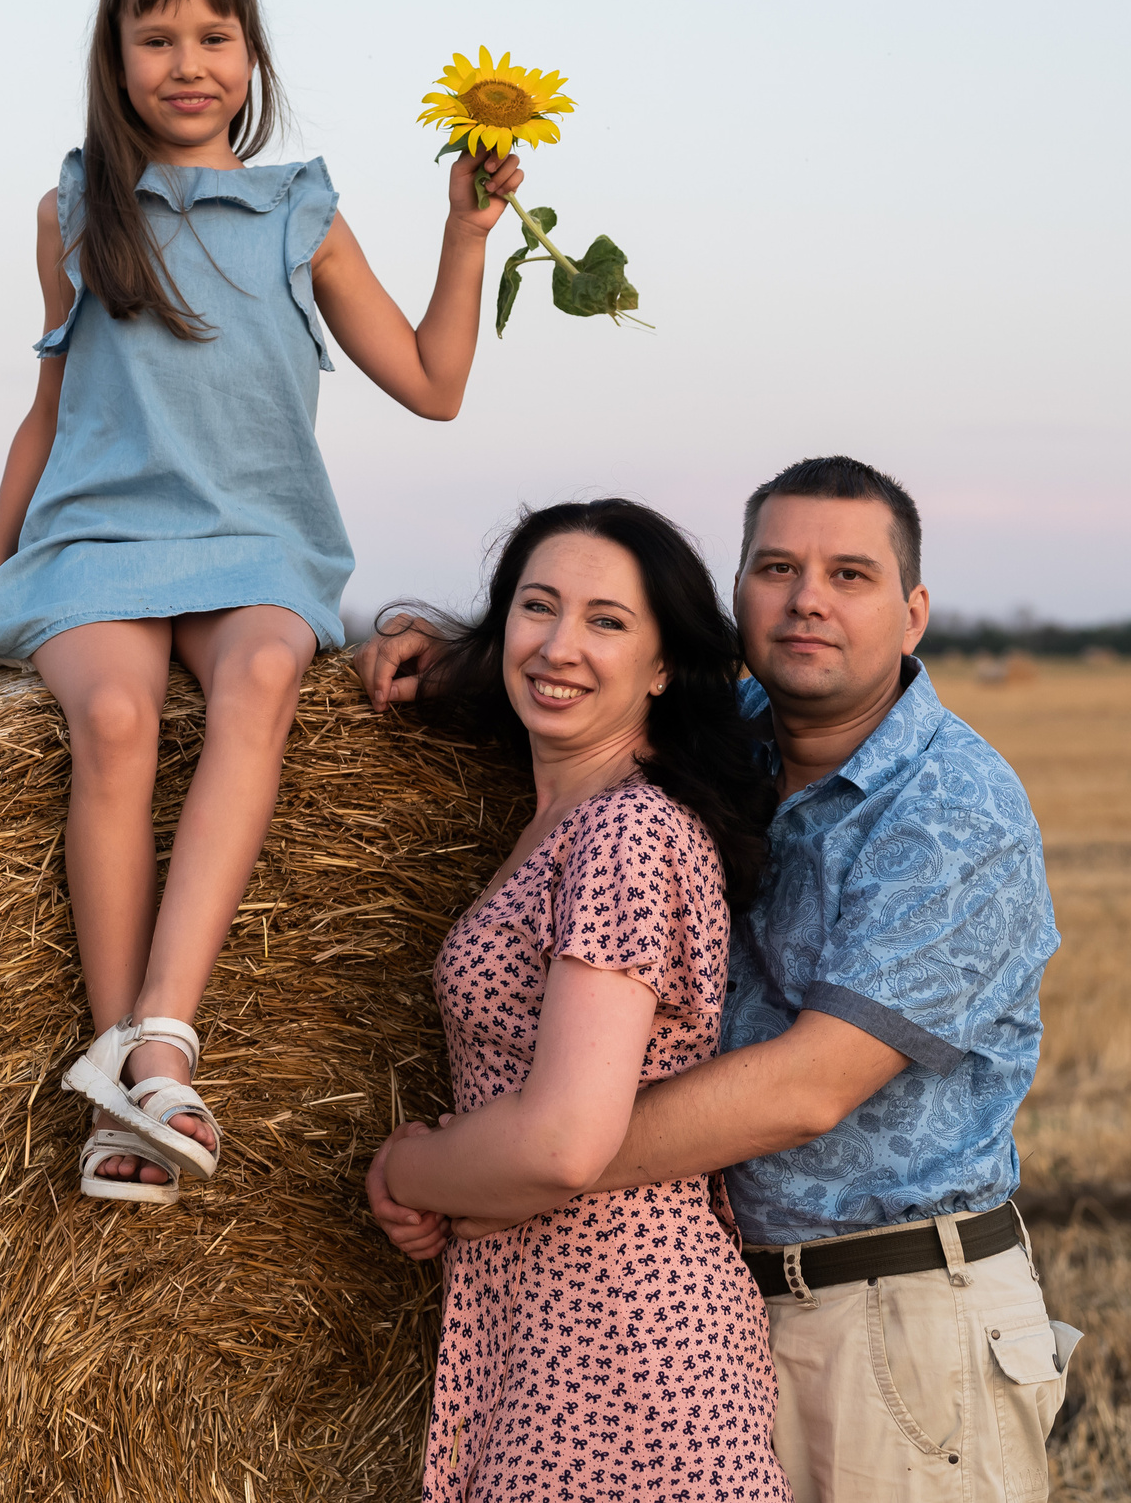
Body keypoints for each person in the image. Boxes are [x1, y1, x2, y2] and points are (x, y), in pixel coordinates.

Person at [0, 0, 524, 1203]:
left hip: (256, 541)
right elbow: (49, 406)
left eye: (213, 36)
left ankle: (162, 1039)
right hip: (96, 539)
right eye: (156, 39)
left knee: (259, 677)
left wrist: (466, 234)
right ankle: (118, 1068)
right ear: (114, 56)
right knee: (114, 718)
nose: (186, 63)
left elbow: (433, 383)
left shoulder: (302, 214)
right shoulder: (74, 210)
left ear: (252, 55)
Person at [363, 458, 1069, 1503]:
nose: (807, 599)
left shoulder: (953, 809)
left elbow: (805, 1088)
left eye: (850, 574)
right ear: (736, 596)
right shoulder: (731, 738)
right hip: (722, 1300)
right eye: (777, 568)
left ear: (913, 612)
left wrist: (483, 1169)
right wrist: (444, 654)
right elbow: (587, 670)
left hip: (897, 1312)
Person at [362, 499, 790, 1503]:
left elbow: (562, 1140)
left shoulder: (625, 834)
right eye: (537, 606)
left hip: (620, 1340)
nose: (559, 645)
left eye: (607, 621)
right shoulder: (569, 820)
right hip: (554, 1324)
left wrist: (407, 1169)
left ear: (662, 665)